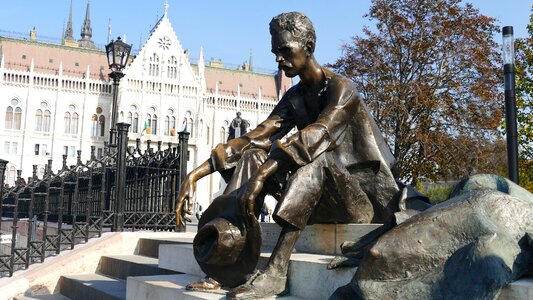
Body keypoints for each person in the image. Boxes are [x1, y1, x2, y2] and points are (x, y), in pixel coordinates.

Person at [176, 12, 404, 299]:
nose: (278, 59)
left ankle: (276, 272)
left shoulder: (342, 89)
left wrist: (265, 174)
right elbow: (256, 136)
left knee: (318, 158)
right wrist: (195, 174)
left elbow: (317, 135)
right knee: (252, 156)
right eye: (275, 52)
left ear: (308, 46)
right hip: (317, 198)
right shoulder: (295, 96)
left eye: (285, 50)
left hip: (358, 204)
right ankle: (227, 262)